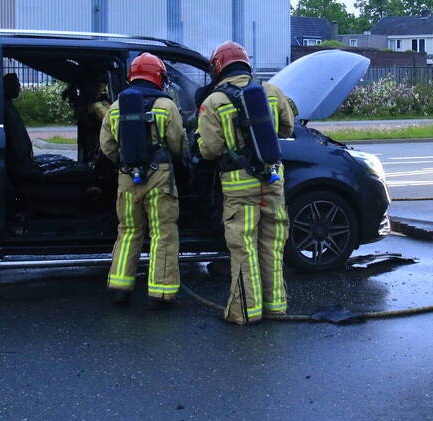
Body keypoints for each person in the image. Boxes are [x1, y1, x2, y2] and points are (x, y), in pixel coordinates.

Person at [195, 41, 295, 325]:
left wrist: (199, 141)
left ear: (218, 67)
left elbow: (210, 150)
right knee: (273, 246)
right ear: (246, 64)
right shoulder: (272, 92)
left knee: (244, 249)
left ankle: (246, 312)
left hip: (239, 188)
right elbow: (287, 129)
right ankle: (276, 307)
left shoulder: (214, 101)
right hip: (273, 181)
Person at [99, 53, 186, 307]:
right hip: (159, 177)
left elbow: (106, 146)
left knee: (128, 232)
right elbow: (177, 143)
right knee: (163, 234)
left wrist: (125, 162)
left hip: (127, 179)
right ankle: (161, 293)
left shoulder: (115, 108)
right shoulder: (166, 106)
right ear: (158, 76)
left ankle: (120, 287)